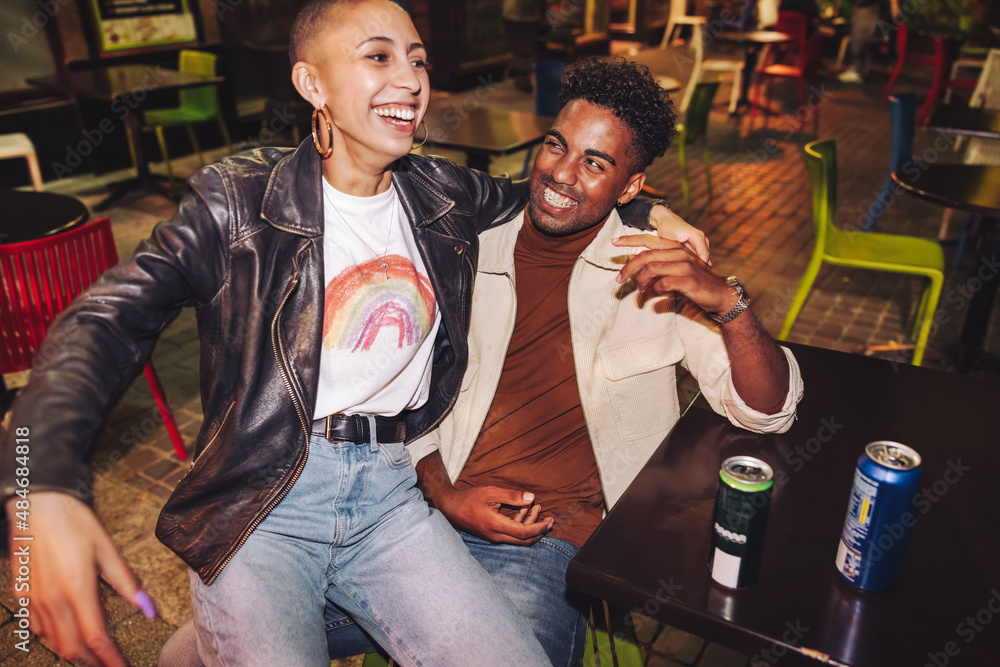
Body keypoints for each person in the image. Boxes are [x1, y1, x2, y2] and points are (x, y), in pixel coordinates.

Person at [0, 2, 702, 666]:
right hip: (263, 502)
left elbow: (560, 194)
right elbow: (102, 322)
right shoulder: (239, 202)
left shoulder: (443, 197)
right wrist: (40, 483)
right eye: (378, 56)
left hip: (392, 498)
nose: (410, 80)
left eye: (419, 61)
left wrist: (661, 216)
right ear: (313, 83)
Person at [164, 54, 802, 667]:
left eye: (595, 163)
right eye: (556, 145)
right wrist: (444, 492)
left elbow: (767, 413)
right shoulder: (459, 238)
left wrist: (730, 304)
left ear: (630, 185)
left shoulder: (662, 271)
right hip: (413, 515)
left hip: (544, 540)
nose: (560, 173)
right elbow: (394, 392)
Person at [838, 0, 902, 83]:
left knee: (862, 37)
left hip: (870, 8)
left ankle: (858, 71)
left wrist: (894, 5)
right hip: (866, 7)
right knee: (860, 37)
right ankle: (859, 70)